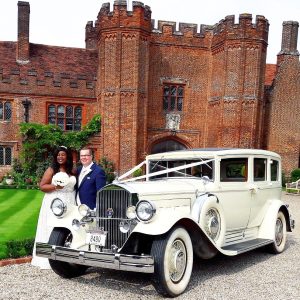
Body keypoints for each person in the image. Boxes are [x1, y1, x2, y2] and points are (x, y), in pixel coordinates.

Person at [31, 146, 76, 269]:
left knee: (67, 229)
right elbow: (42, 186)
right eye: (58, 155)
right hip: (55, 202)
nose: (60, 157)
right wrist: (56, 186)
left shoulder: (72, 170)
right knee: (51, 228)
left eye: (62, 155)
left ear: (67, 156)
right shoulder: (52, 169)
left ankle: (65, 257)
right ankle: (47, 259)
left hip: (69, 201)